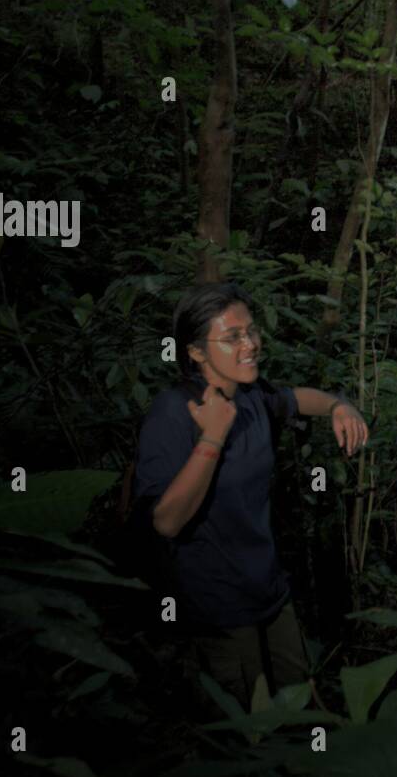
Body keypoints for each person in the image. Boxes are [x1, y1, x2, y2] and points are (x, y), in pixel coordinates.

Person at [132, 282, 369, 710]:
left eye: (251, 331)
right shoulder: (172, 414)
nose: (251, 344)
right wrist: (214, 436)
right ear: (197, 352)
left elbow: (297, 400)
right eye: (232, 337)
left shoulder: (253, 395)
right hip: (217, 606)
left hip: (270, 590)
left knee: (300, 704)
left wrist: (338, 406)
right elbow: (166, 521)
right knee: (250, 731)